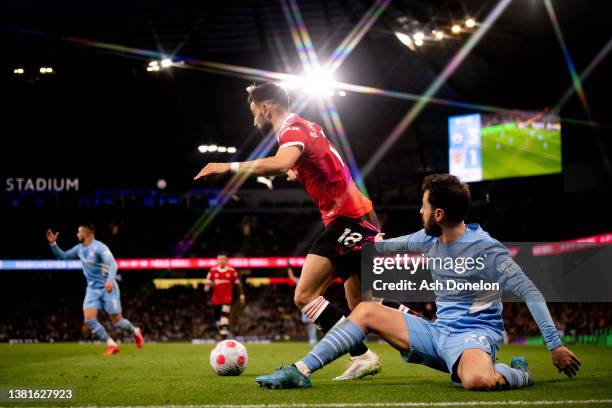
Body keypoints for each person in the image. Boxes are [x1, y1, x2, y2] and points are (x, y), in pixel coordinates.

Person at [255, 174, 581, 389]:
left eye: (423, 207)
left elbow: (529, 290)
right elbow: (381, 245)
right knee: (366, 310)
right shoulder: (428, 240)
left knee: (477, 381)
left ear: (438, 214)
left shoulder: (488, 250)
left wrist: (554, 344)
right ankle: (300, 371)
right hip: (438, 334)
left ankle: (519, 373)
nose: (419, 212)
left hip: (474, 336)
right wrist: (344, 235)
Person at [194, 82, 381, 380]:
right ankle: (429, 345)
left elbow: (281, 161)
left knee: (305, 295)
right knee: (360, 304)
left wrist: (227, 166)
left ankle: (364, 354)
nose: (254, 117)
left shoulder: (290, 129)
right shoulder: (308, 126)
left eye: (254, 111)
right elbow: (307, 163)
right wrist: (296, 172)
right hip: (359, 215)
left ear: (266, 108)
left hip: (348, 218)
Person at [46, 223, 144, 355]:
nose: (77, 234)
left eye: (79, 232)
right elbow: (63, 256)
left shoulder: (100, 247)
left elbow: (113, 264)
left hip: (108, 287)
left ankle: (135, 331)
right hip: (92, 289)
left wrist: (109, 280)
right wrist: (53, 244)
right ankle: (111, 344)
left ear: (87, 233)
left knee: (117, 322)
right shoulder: (79, 248)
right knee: (89, 319)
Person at [205, 252, 245, 339]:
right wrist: (207, 286)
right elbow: (207, 284)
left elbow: (237, 284)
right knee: (218, 319)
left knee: (224, 315)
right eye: (219, 259)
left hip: (227, 299)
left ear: (226, 260)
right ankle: (224, 334)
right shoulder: (212, 270)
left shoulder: (231, 271)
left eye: (223, 259)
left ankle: (224, 337)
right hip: (216, 299)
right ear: (217, 260)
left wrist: (241, 295)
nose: (221, 261)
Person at [287, 267, 318, 347]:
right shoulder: (301, 281)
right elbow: (292, 277)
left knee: (311, 324)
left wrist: (289, 268)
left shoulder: (311, 282)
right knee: (309, 324)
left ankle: (313, 340)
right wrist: (289, 268)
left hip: (311, 304)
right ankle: (312, 340)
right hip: (305, 305)